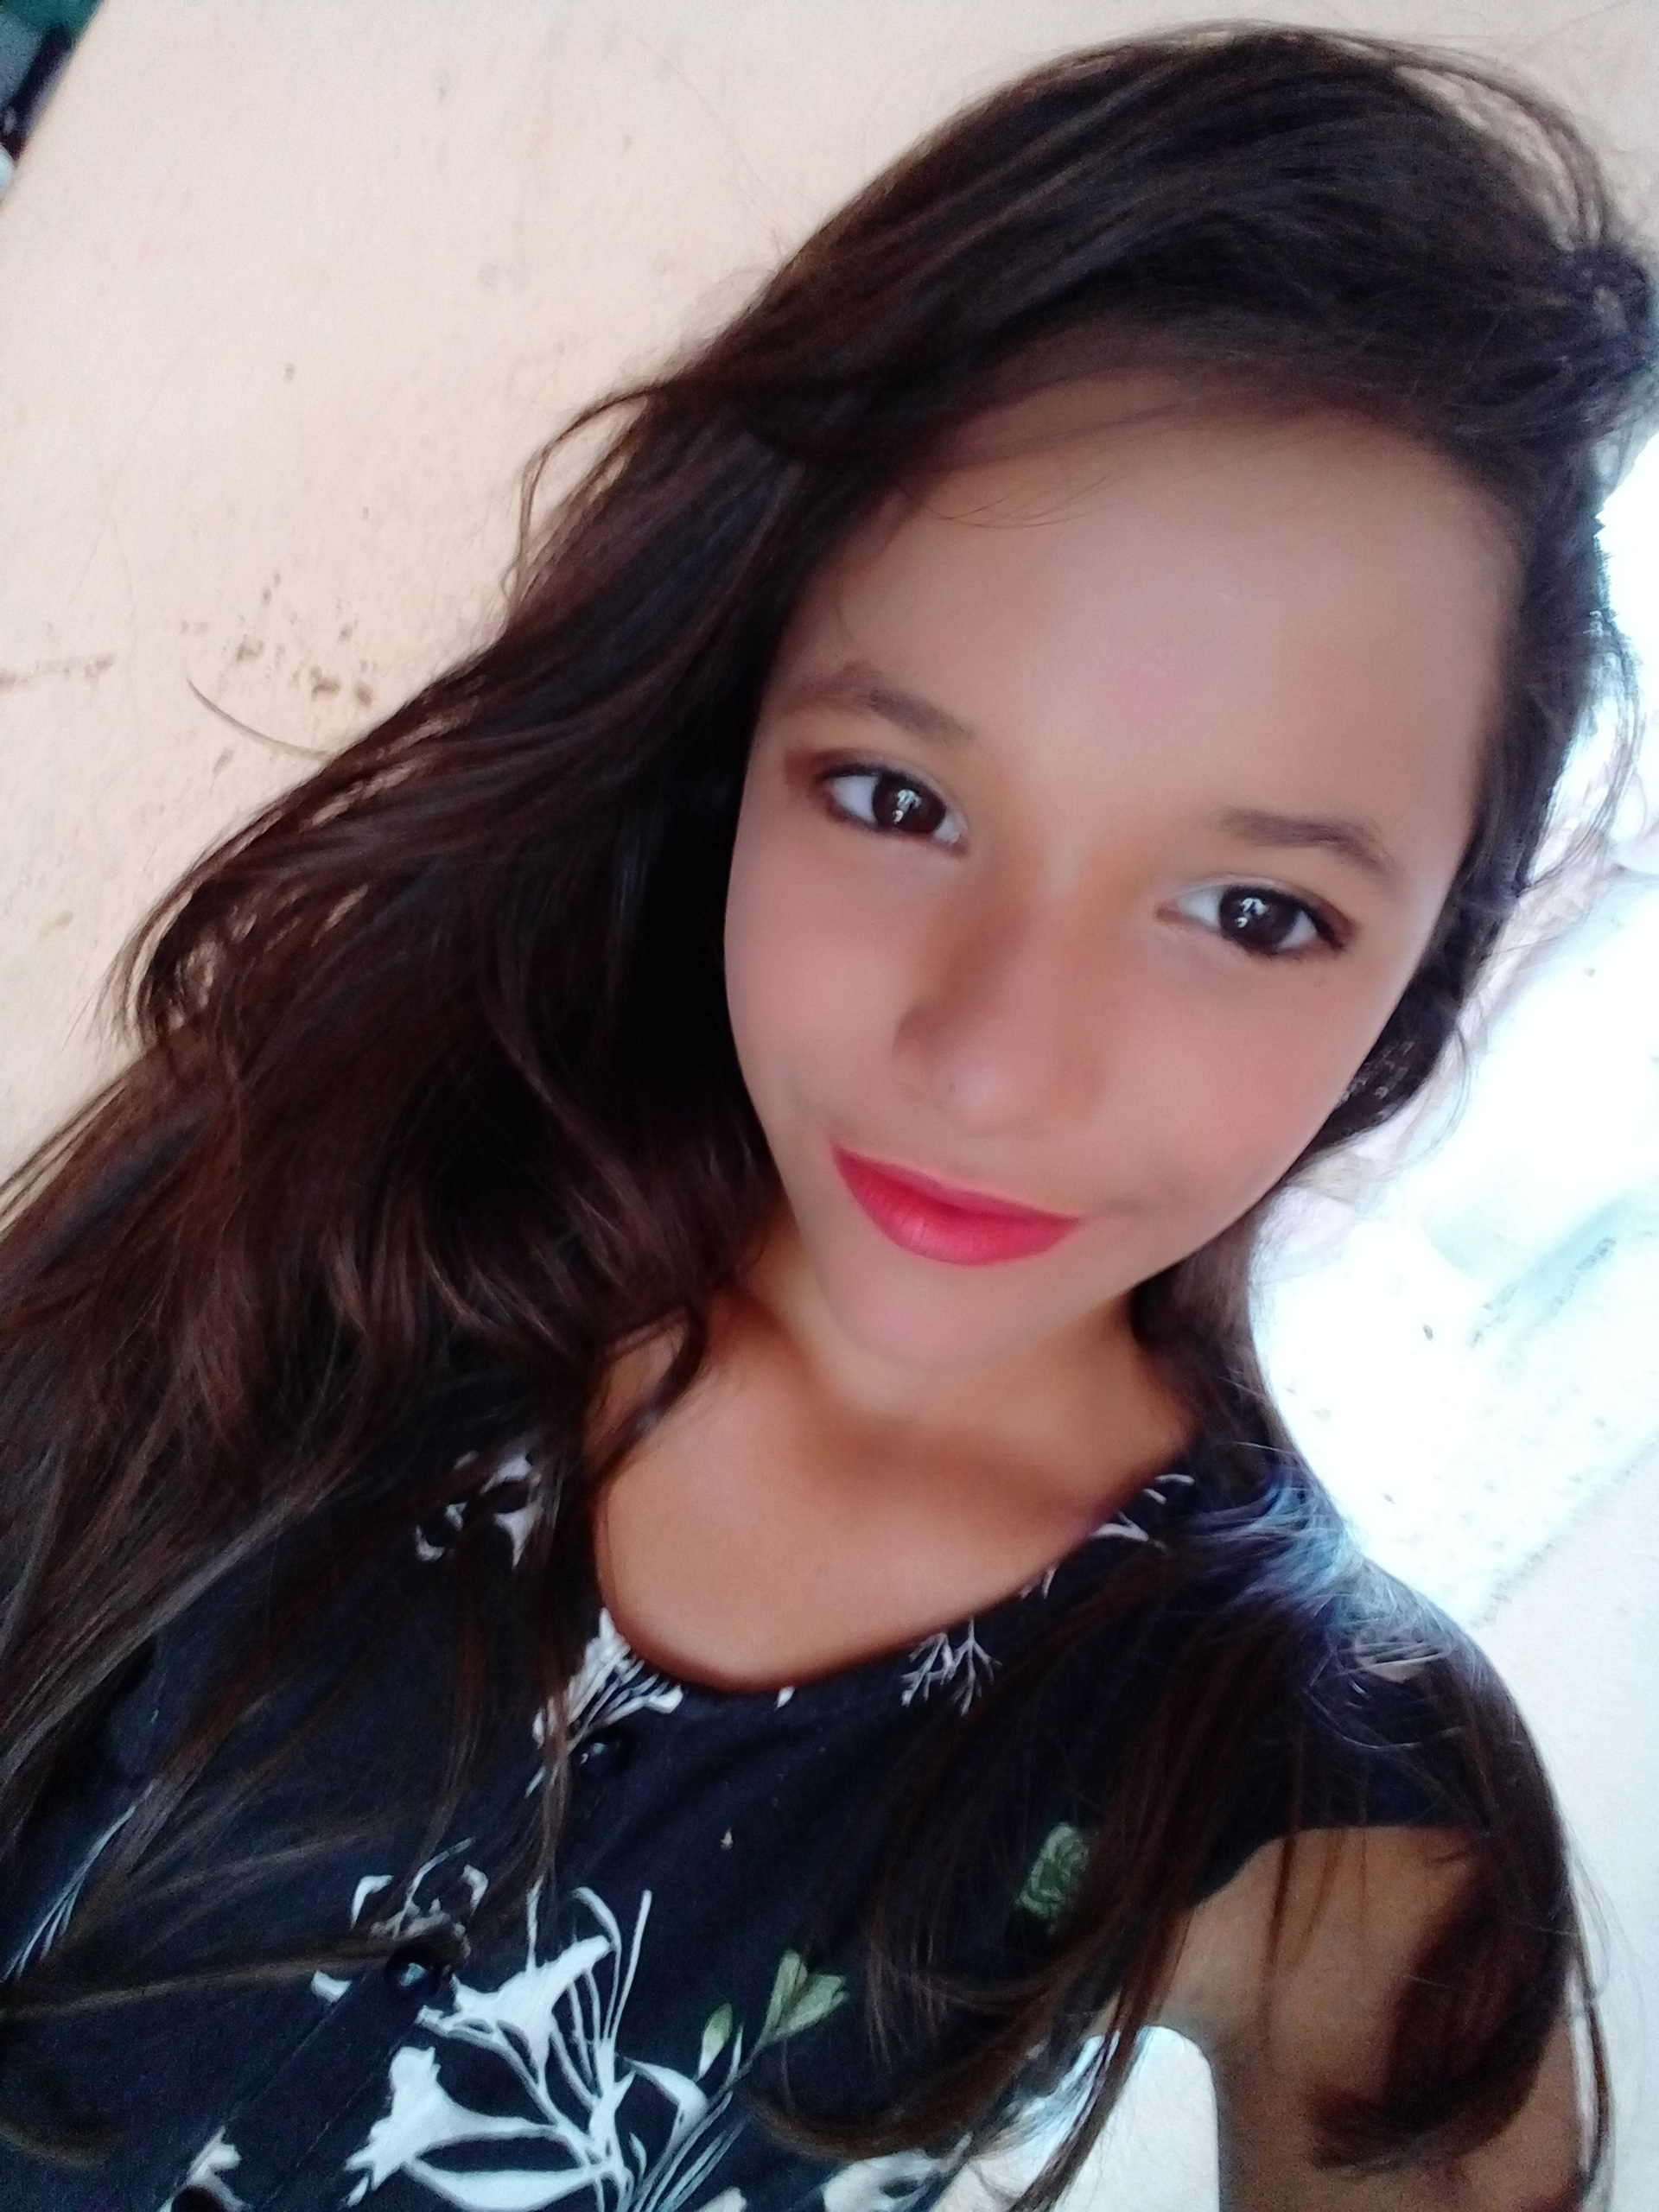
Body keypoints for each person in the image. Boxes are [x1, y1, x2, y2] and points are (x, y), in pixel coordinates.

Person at [0, 24, 1653, 2212]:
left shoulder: (1320, 1788)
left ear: (1424, 970)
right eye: (894, 795)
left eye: (1255, 911)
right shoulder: (350, 1192)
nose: (990, 1062)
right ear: (731, 732)